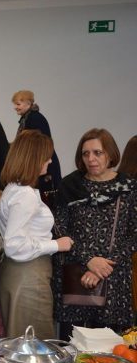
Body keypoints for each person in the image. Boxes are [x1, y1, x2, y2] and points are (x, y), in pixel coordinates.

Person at [53, 128, 137, 340]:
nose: (91, 159)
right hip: (76, 275)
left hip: (114, 278)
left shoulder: (129, 187)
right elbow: (59, 229)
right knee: (72, 346)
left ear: (110, 154)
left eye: (97, 152)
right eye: (85, 153)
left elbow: (133, 234)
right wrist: (89, 260)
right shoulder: (70, 185)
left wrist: (102, 268)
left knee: (110, 350)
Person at [0, 130, 73, 339]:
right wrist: (56, 245)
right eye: (46, 156)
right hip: (27, 277)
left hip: (18, 274)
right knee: (34, 346)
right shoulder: (24, 195)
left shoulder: (13, 189)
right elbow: (15, 245)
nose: (50, 161)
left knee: (21, 344)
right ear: (34, 158)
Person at [12, 90, 62, 194]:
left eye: (18, 104)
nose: (15, 107)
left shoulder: (34, 118)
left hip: (44, 167)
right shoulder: (29, 118)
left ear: (28, 103)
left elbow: (39, 145)